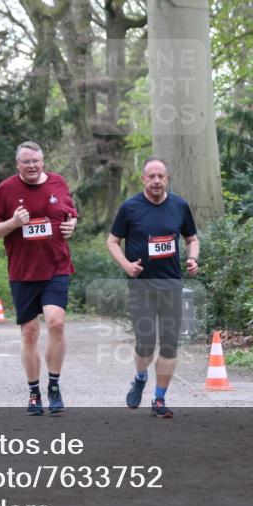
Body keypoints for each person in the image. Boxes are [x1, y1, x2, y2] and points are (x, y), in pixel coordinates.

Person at [0, 141, 78, 415]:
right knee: (30, 333)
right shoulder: (6, 189)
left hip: (56, 267)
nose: (32, 166)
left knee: (56, 323)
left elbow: (71, 216)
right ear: (18, 165)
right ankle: (34, 391)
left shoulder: (59, 184)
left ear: (43, 161)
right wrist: (14, 222)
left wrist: (73, 225)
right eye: (26, 162)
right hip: (23, 272)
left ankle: (54, 385)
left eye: (36, 161)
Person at [106, 157, 199, 419]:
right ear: (143, 179)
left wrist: (193, 258)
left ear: (167, 178)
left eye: (161, 176)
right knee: (145, 344)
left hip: (171, 285)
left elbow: (192, 239)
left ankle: (159, 399)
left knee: (169, 346)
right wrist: (126, 265)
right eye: (151, 177)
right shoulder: (130, 207)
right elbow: (112, 242)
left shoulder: (179, 206)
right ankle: (140, 376)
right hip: (141, 286)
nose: (156, 181)